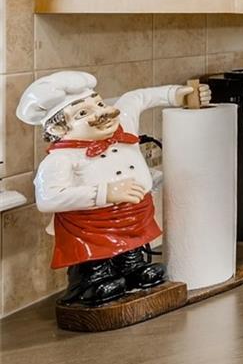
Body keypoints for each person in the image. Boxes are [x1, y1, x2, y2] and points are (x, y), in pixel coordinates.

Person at [18, 71, 210, 307]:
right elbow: (48, 199)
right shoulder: (60, 159)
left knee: (132, 251)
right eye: (82, 113)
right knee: (96, 259)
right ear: (59, 130)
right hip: (91, 225)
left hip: (134, 215)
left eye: (99, 103)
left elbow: (137, 97)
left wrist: (177, 95)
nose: (101, 112)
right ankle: (91, 281)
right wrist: (105, 193)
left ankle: (133, 269)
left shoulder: (124, 125)